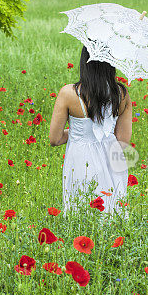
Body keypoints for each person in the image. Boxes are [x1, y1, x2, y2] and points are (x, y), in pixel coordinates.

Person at [49, 46, 133, 219]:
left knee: (81, 213)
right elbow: (123, 141)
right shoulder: (121, 94)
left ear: (85, 62)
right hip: (112, 158)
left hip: (81, 159)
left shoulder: (68, 94)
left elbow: (55, 139)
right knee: (111, 212)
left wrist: (76, 133)